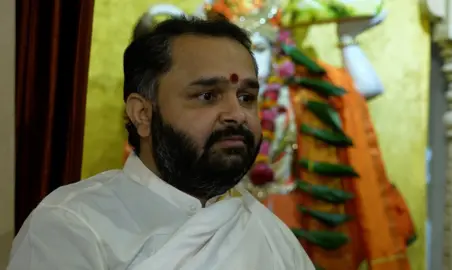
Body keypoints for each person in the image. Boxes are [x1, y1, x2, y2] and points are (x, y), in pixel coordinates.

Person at [7, 16, 315, 270]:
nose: (237, 115)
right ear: (142, 114)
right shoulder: (71, 226)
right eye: (208, 96)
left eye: (246, 97)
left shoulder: (270, 233)